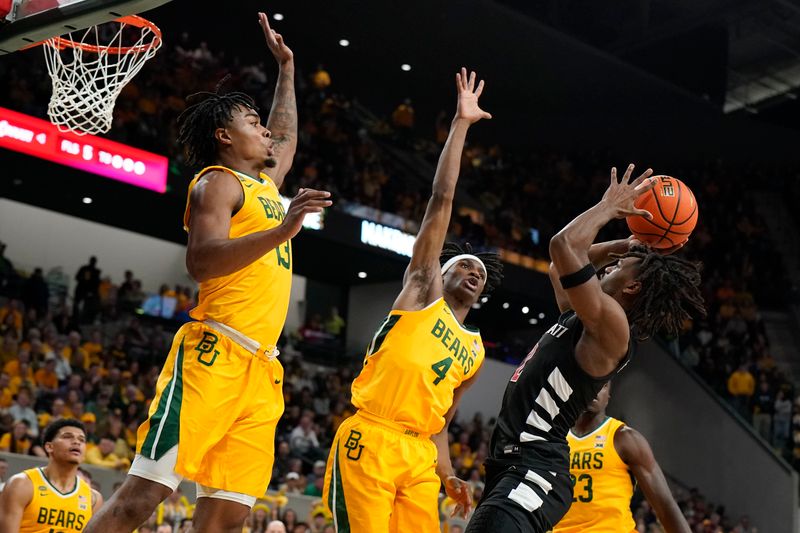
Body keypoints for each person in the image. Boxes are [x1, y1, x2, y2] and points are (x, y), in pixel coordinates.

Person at [85, 13, 331, 533]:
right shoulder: (217, 183)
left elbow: (284, 135)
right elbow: (201, 261)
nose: (265, 131)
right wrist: (283, 232)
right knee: (142, 498)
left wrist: (286, 68)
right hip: (212, 356)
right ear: (223, 136)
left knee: (225, 520)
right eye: (251, 123)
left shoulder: (265, 184)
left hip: (262, 371)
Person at [465, 164, 705, 533]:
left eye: (618, 266)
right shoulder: (583, 320)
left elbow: (563, 246)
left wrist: (609, 207)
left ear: (632, 288)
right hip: (513, 466)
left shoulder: (610, 324)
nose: (607, 267)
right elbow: (554, 267)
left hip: (535, 468)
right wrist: (624, 246)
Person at [323, 69, 502, 532]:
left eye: (479, 272)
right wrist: (461, 124)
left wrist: (447, 474)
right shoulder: (423, 291)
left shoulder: (477, 352)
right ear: (438, 273)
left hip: (420, 455)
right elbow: (441, 200)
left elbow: (441, 420)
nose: (472, 271)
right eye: (462, 265)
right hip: (373, 437)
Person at [552, 382, 690, 532]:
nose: (596, 389)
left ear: (608, 397)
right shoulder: (553, 438)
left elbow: (665, 506)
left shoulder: (625, 438)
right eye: (591, 381)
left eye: (603, 385)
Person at [0, 418, 103, 532]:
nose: (77, 442)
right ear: (49, 447)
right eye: (67, 436)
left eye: (82, 440)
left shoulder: (93, 499)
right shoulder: (22, 484)